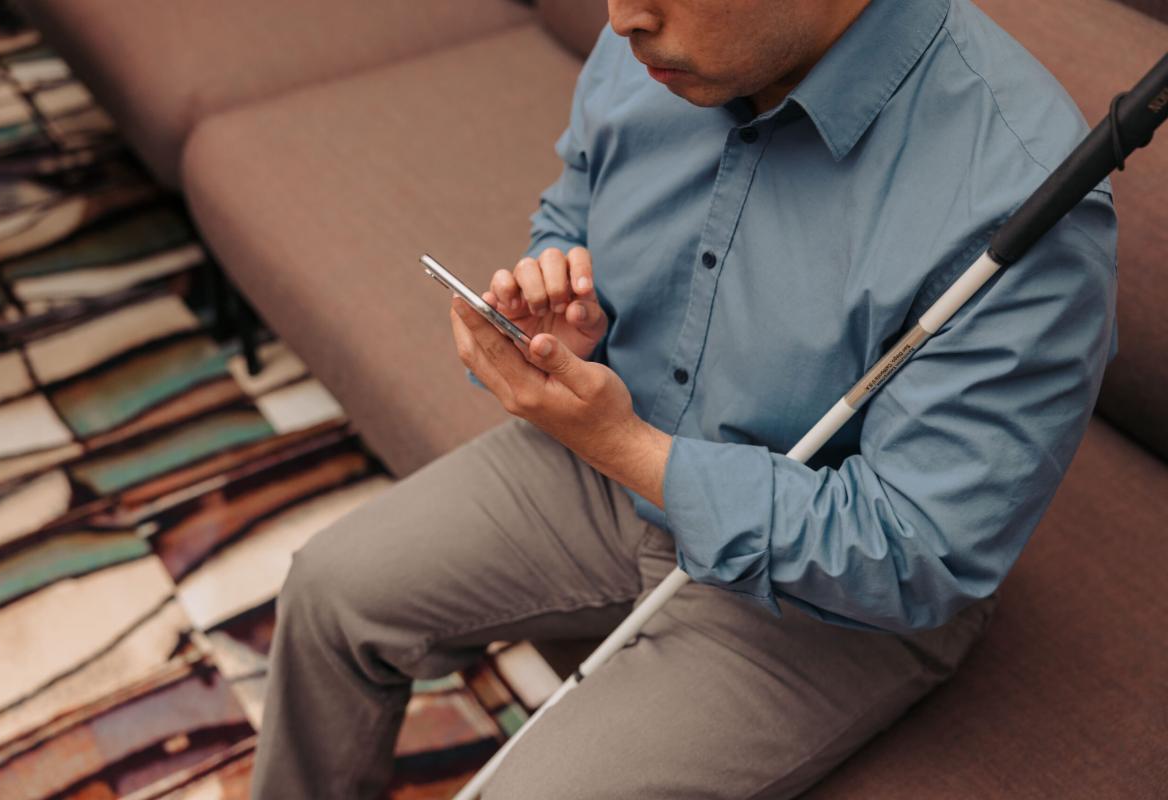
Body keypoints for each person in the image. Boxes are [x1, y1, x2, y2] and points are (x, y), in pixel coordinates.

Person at [250, 0, 1118, 797]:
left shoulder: (1023, 200)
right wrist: (559, 311)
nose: (622, 15)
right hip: (605, 461)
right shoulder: (655, 39)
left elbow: (916, 551)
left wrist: (631, 448)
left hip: (826, 604)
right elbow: (572, 208)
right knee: (329, 590)